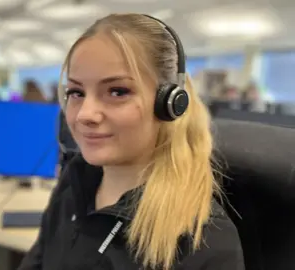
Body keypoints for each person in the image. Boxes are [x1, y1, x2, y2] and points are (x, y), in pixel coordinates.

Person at [18, 13, 244, 270]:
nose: (84, 115)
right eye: (76, 92)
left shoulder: (204, 240)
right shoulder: (76, 179)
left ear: (169, 103)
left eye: (118, 91)